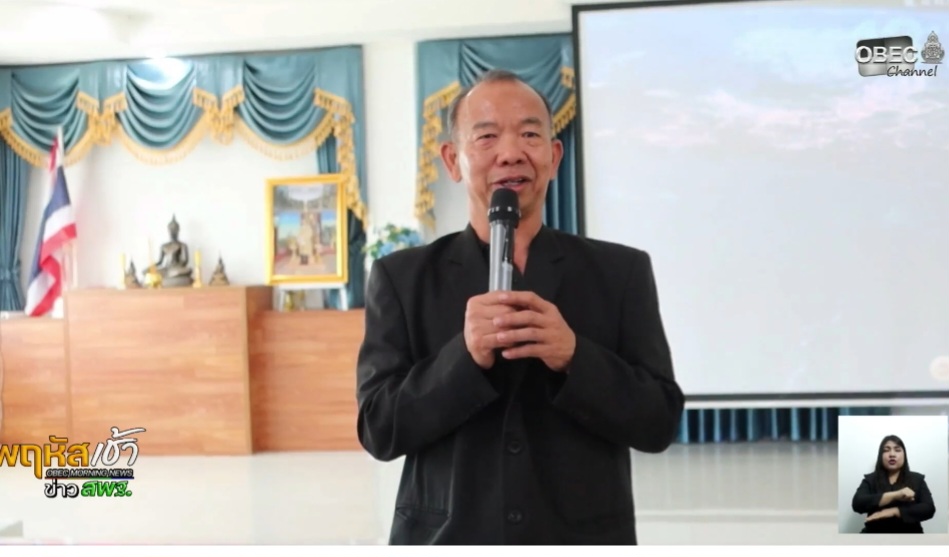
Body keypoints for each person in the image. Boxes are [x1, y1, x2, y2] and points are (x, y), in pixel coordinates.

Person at [355, 69, 685, 545]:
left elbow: (658, 423)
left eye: (530, 134)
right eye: (486, 136)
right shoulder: (401, 278)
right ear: (452, 160)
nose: (511, 152)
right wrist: (462, 357)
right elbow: (378, 430)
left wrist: (575, 357)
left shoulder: (621, 272)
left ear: (554, 157)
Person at [850, 434, 936, 533]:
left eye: (897, 450)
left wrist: (895, 511)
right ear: (880, 456)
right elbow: (857, 503)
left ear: (904, 455)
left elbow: (929, 508)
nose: (892, 454)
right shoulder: (870, 479)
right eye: (886, 450)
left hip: (909, 535)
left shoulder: (917, 479)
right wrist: (895, 495)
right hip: (875, 535)